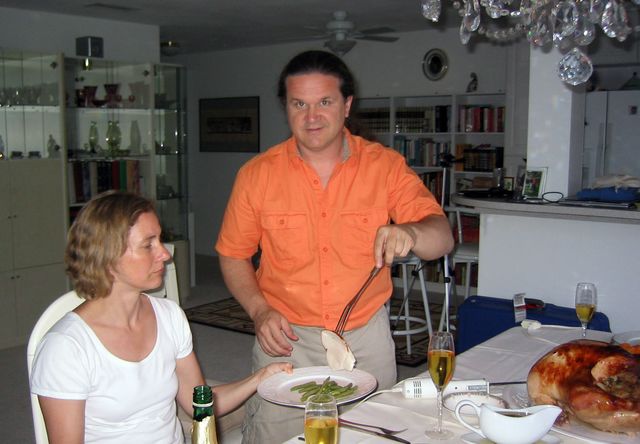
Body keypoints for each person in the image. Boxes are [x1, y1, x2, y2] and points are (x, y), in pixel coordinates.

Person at [215, 50, 454, 443]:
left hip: (366, 338)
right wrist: (259, 310)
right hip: (286, 339)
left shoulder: (385, 166)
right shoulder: (256, 175)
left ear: (346, 105)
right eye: (299, 104)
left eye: (324, 102)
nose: (312, 116)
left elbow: (441, 238)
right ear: (286, 108)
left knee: (371, 435)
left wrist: (411, 232)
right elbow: (232, 253)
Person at [30, 190, 291, 444]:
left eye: (160, 240)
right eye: (148, 245)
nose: (165, 254)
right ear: (107, 256)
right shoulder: (66, 348)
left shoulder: (169, 316)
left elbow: (197, 404)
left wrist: (259, 378)